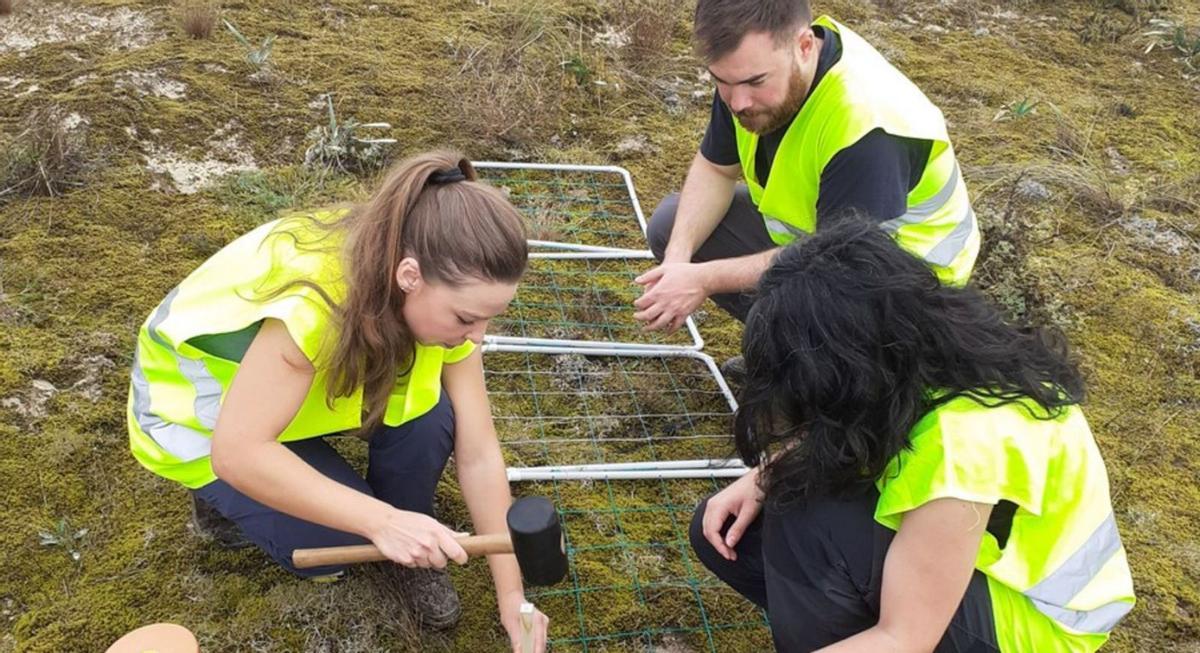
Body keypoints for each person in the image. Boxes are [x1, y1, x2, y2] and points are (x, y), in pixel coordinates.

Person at [127, 150, 550, 651]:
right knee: (336, 548)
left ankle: (410, 539)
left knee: (435, 416)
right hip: (205, 418)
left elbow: (478, 451)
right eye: (465, 319)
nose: (476, 336)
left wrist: (513, 597)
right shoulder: (314, 307)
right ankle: (221, 505)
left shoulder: (428, 277)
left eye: (488, 318)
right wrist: (379, 522)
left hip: (304, 389)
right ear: (410, 276)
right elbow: (237, 451)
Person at [690, 219, 1135, 652]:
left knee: (812, 521)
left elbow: (904, 638)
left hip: (1033, 628)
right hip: (970, 567)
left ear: (849, 368)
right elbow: (861, 422)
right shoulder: (929, 346)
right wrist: (763, 476)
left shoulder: (962, 449)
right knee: (739, 526)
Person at [634, 0, 980, 365]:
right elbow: (716, 169)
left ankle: (826, 379)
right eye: (721, 81)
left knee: (819, 301)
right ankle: (787, 353)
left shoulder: (866, 126)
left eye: (755, 82)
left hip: (910, 292)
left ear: (803, 46)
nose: (737, 102)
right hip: (823, 245)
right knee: (671, 226)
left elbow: (838, 260)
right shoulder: (745, 79)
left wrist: (703, 279)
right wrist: (677, 265)